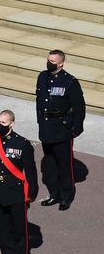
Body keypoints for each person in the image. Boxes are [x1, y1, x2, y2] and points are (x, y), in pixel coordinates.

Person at [0, 110, 38, 254]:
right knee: (4, 230)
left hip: (16, 193)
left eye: (4, 123)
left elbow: (30, 171)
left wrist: (31, 193)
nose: (1, 125)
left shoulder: (22, 144)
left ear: (12, 123)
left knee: (19, 231)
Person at [36, 50, 85, 210]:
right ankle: (54, 195)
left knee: (65, 166)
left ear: (61, 63)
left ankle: (66, 196)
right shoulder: (42, 77)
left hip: (62, 129)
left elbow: (79, 107)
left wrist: (75, 129)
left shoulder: (70, 82)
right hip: (46, 128)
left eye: (53, 61)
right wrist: (40, 123)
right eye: (48, 60)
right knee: (50, 166)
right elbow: (39, 103)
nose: (49, 63)